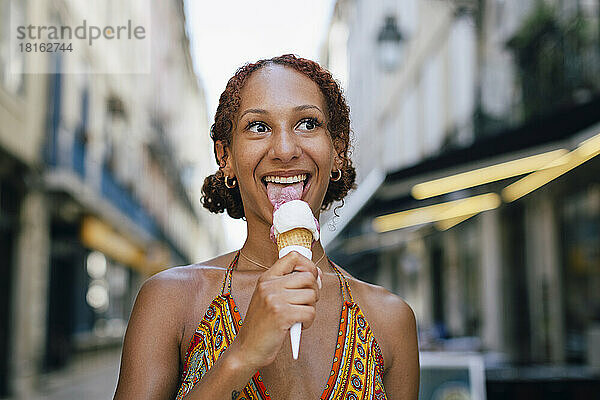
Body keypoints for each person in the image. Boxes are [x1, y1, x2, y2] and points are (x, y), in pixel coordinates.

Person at [113, 54, 419, 400]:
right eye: (258, 127)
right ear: (225, 156)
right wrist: (241, 355)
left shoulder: (390, 320)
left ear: (337, 149)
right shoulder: (171, 300)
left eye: (307, 123)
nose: (285, 150)